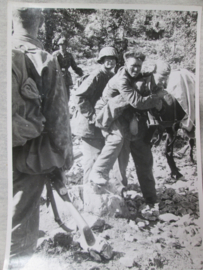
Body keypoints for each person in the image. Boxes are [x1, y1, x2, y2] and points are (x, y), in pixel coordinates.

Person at [10, 8, 73, 269]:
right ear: (42, 22)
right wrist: (62, 160)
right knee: (19, 229)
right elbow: (58, 117)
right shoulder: (43, 59)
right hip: (25, 155)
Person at [90, 51, 172, 205]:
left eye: (138, 66)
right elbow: (137, 102)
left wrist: (158, 108)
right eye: (133, 66)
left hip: (134, 121)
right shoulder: (124, 80)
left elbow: (155, 106)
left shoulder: (148, 79)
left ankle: (151, 198)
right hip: (114, 117)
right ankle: (118, 194)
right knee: (121, 155)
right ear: (126, 64)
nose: (136, 69)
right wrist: (157, 98)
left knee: (145, 159)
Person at [71, 47, 118, 184]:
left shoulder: (111, 76)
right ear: (101, 60)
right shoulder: (96, 76)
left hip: (100, 124)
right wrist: (92, 116)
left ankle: (97, 192)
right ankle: (88, 194)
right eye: (106, 59)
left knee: (100, 159)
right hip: (89, 125)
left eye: (112, 59)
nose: (110, 62)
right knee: (92, 160)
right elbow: (79, 97)